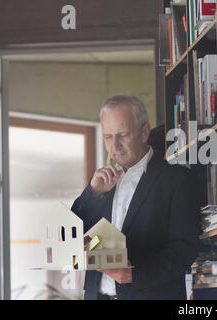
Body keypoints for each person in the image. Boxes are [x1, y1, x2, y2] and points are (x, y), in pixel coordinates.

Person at [71, 94, 200, 300]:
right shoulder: (101, 183)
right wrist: (92, 193)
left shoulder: (177, 180)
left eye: (123, 135)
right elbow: (71, 235)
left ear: (144, 132)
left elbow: (185, 249)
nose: (115, 145)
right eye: (108, 137)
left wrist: (136, 274)